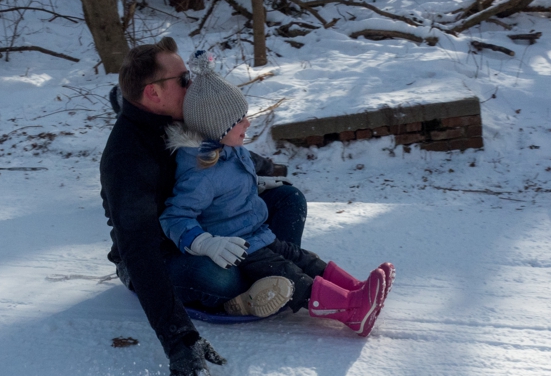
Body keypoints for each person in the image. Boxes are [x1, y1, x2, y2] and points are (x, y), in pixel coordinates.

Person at [100, 37, 308, 376]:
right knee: (218, 275)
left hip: (214, 227)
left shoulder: (183, 113)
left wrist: (261, 174)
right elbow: (139, 248)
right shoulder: (126, 157)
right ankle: (246, 286)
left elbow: (223, 151)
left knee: (287, 199)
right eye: (183, 79)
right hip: (164, 252)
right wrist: (180, 340)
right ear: (152, 93)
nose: (192, 84)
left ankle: (269, 276)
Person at [160, 51, 395, 332]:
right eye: (239, 119)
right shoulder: (200, 172)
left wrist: (256, 185)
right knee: (292, 276)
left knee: (303, 258)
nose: (247, 123)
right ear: (216, 127)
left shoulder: (233, 151)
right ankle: (351, 312)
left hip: (260, 234)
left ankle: (357, 290)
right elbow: (175, 216)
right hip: (238, 248)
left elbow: (230, 188)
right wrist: (206, 243)